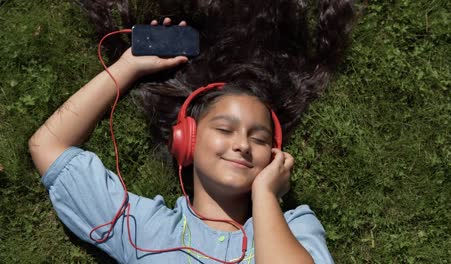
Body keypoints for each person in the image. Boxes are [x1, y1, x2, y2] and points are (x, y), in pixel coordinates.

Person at [30, 0, 355, 263]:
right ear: (187, 139)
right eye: (225, 129)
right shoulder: (144, 231)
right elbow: (48, 145)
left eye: (258, 138)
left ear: (273, 157)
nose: (242, 144)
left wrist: (266, 196)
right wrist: (128, 66)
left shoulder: (294, 228)